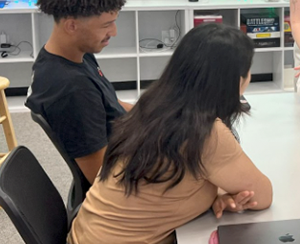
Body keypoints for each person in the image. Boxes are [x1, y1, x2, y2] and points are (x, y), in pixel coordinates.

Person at [68, 23, 273, 244]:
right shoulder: (206, 132)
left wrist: (220, 195)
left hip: (83, 235)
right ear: (237, 81)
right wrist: (225, 193)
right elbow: (263, 196)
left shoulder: (152, 104)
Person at [26, 0, 132, 185]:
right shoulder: (71, 90)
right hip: (120, 184)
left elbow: (113, 105)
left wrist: (163, 113)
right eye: (106, 25)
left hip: (128, 145)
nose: (114, 32)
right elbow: (104, 179)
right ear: (71, 26)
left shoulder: (75, 54)